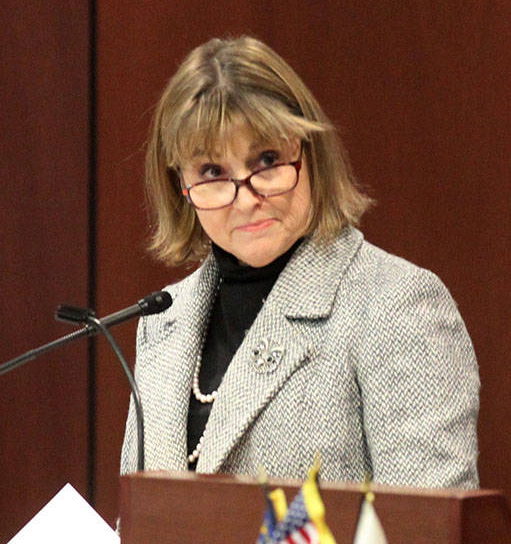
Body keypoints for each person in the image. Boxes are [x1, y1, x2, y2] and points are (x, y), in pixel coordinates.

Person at [120, 36, 479, 489]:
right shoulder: (163, 318)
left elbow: (427, 540)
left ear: (310, 155)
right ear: (180, 186)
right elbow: (141, 526)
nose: (246, 199)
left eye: (266, 161)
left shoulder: (396, 307)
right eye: (212, 172)